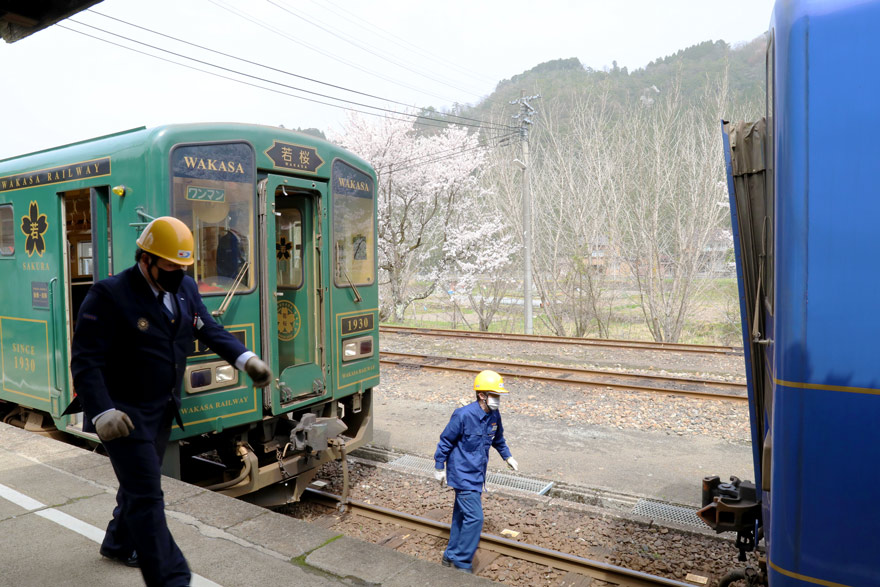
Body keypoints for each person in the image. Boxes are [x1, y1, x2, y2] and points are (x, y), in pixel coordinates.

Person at [64, 216, 272, 587]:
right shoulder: (109, 295)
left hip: (162, 408)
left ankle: (116, 542)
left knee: (137, 485)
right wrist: (102, 411)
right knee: (148, 498)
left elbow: (208, 328)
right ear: (145, 259)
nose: (178, 272)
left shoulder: (185, 288)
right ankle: (172, 579)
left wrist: (245, 360)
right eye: (170, 266)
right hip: (122, 415)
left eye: (183, 267)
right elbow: (85, 360)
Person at [433, 370, 519, 574]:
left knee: (461, 517)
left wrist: (508, 456)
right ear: (482, 395)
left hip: (477, 475)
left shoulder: (494, 415)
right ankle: (462, 562)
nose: (498, 399)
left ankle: (450, 555)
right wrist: (439, 466)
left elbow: (498, 439)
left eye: (499, 396)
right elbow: (446, 440)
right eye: (495, 395)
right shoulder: (463, 415)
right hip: (462, 474)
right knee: (475, 518)